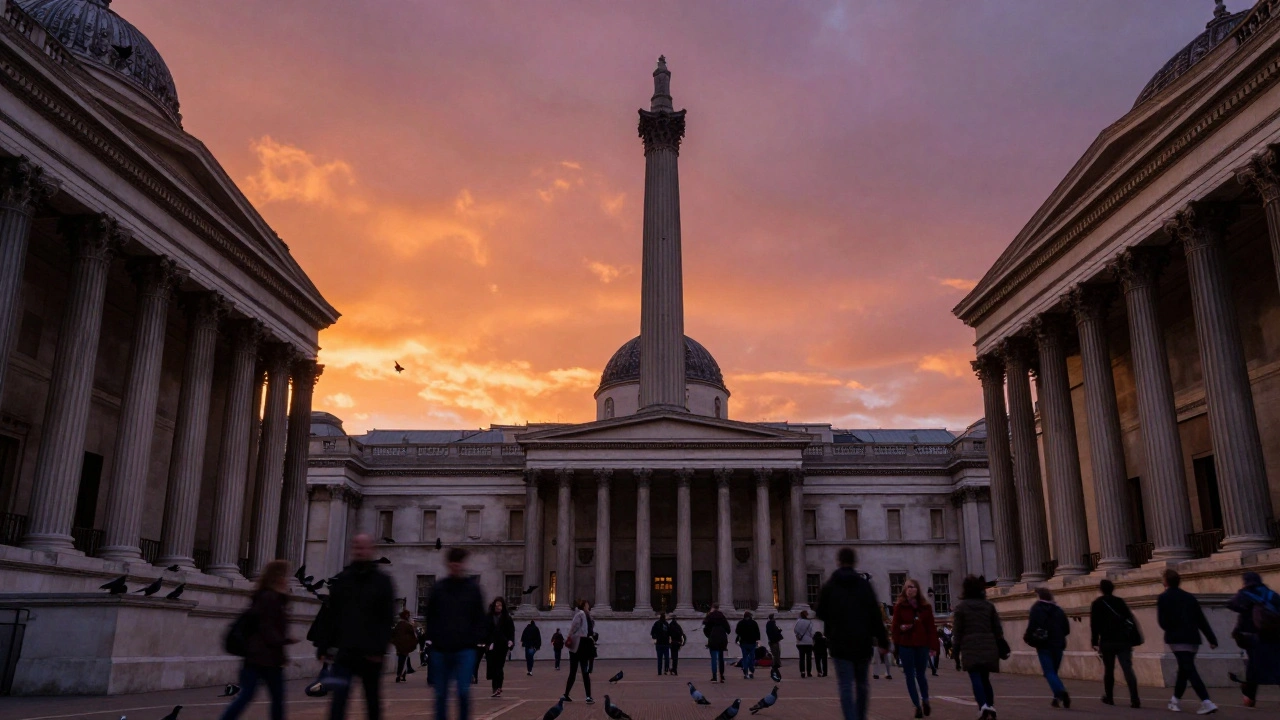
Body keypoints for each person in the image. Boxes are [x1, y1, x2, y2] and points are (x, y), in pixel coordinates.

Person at [311, 534, 395, 720]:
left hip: (370, 653)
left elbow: (386, 618)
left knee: (372, 702)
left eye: (363, 547)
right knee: (338, 701)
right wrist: (323, 647)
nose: (360, 550)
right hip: (345, 653)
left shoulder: (382, 581)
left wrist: (380, 649)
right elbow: (331, 616)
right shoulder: (343, 580)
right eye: (356, 546)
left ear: (371, 550)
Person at [817, 547, 890, 720]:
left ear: (839, 562)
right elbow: (875, 615)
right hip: (862, 642)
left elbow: (820, 612)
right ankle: (860, 717)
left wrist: (834, 621)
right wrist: (883, 640)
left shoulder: (830, 585)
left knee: (845, 686)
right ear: (854, 562)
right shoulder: (864, 585)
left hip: (839, 643)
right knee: (862, 684)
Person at [219, 559, 293, 720]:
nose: (287, 579)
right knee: (274, 699)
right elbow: (266, 628)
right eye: (285, 575)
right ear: (278, 577)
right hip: (265, 658)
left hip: (259, 657)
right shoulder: (270, 598)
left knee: (249, 695)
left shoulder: (268, 597)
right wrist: (283, 641)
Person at [424, 547, 487, 720]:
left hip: (464, 649)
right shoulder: (439, 588)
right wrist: (433, 639)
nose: (456, 566)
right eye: (453, 562)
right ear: (448, 564)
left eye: (458, 562)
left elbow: (480, 618)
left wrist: (474, 640)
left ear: (463, 564)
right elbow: (430, 616)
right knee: (440, 694)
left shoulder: (472, 590)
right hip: (440, 649)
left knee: (463, 692)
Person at [1157, 569, 1218, 715]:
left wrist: (1172, 629)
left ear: (1165, 581)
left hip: (1177, 639)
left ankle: (1206, 701)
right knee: (1185, 669)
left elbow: (1162, 621)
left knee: (1189, 669)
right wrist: (1211, 638)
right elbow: (1201, 619)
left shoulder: (1163, 598)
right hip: (1193, 638)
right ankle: (1174, 700)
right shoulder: (1189, 597)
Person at [952, 575, 1003, 720]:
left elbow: (957, 632)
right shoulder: (989, 606)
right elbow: (997, 629)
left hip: (970, 646)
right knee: (985, 678)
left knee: (975, 677)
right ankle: (990, 705)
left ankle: (983, 705)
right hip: (988, 644)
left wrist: (956, 653)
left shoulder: (961, 608)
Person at [1226, 571, 1280, 708]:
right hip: (1272, 634)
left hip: (1250, 635)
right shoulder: (1270, 593)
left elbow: (1231, 605)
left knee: (1253, 666)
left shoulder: (1245, 594)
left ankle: (1249, 697)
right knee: (1276, 664)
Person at [891, 578, 939, 719]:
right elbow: (895, 627)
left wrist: (934, 646)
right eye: (907, 587)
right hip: (906, 644)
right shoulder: (900, 606)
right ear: (904, 591)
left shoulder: (925, 607)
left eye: (912, 587)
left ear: (917, 589)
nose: (910, 589)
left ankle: (925, 699)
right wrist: (901, 631)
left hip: (921, 644)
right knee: (909, 675)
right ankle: (916, 705)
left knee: (921, 674)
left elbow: (931, 628)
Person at [1090, 579, 1141, 709]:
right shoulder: (1120, 602)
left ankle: (1109, 697)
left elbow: (1094, 625)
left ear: (1101, 589)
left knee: (1109, 670)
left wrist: (1094, 641)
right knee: (1128, 669)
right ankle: (1135, 699)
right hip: (1123, 640)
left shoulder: (1097, 604)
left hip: (1107, 641)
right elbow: (1129, 620)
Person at [1026, 586, 1071, 708]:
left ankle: (1061, 692)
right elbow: (1067, 629)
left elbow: (1031, 627)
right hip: (1058, 644)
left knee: (1049, 672)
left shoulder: (1036, 609)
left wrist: (1029, 638)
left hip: (1044, 644)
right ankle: (1056, 698)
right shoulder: (1058, 610)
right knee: (1054, 672)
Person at [561, 599, 596, 704]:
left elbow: (575, 627)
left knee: (574, 671)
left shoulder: (584, 615)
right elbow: (575, 627)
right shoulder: (582, 614)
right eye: (587, 605)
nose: (588, 607)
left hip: (579, 644)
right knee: (584, 671)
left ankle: (566, 694)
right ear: (584, 606)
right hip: (582, 644)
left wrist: (569, 637)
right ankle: (588, 696)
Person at [483, 597, 515, 697]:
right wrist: (487, 643)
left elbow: (511, 631)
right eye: (497, 605)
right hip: (491, 646)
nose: (498, 607)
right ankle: (495, 687)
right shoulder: (488, 617)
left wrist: (510, 641)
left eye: (500, 605)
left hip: (502, 645)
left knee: (499, 667)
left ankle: (498, 687)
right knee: (492, 666)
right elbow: (485, 632)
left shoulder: (507, 618)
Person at [703, 603, 731, 683]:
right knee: (721, 658)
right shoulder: (722, 616)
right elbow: (728, 630)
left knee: (714, 659)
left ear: (712, 608)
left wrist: (709, 635)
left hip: (713, 638)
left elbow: (705, 626)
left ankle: (714, 677)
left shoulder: (710, 616)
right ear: (718, 608)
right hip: (722, 638)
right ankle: (722, 676)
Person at [392, 610, 419, 683]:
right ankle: (400, 674)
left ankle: (401, 674)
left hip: (399, 645)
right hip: (406, 645)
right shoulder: (408, 625)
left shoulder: (398, 625)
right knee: (404, 659)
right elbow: (414, 636)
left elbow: (394, 635)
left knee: (401, 660)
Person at [735, 610, 762, 679]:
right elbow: (757, 632)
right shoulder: (753, 623)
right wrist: (757, 640)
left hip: (743, 642)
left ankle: (745, 672)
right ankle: (751, 671)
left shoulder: (741, 623)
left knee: (745, 657)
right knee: (752, 657)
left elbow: (737, 632)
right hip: (752, 642)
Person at [794, 610, 816, 678]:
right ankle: (809, 672)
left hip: (801, 642)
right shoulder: (809, 622)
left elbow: (795, 630)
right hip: (808, 642)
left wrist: (799, 635)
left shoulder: (798, 621)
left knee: (802, 658)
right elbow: (812, 632)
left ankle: (802, 672)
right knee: (809, 658)